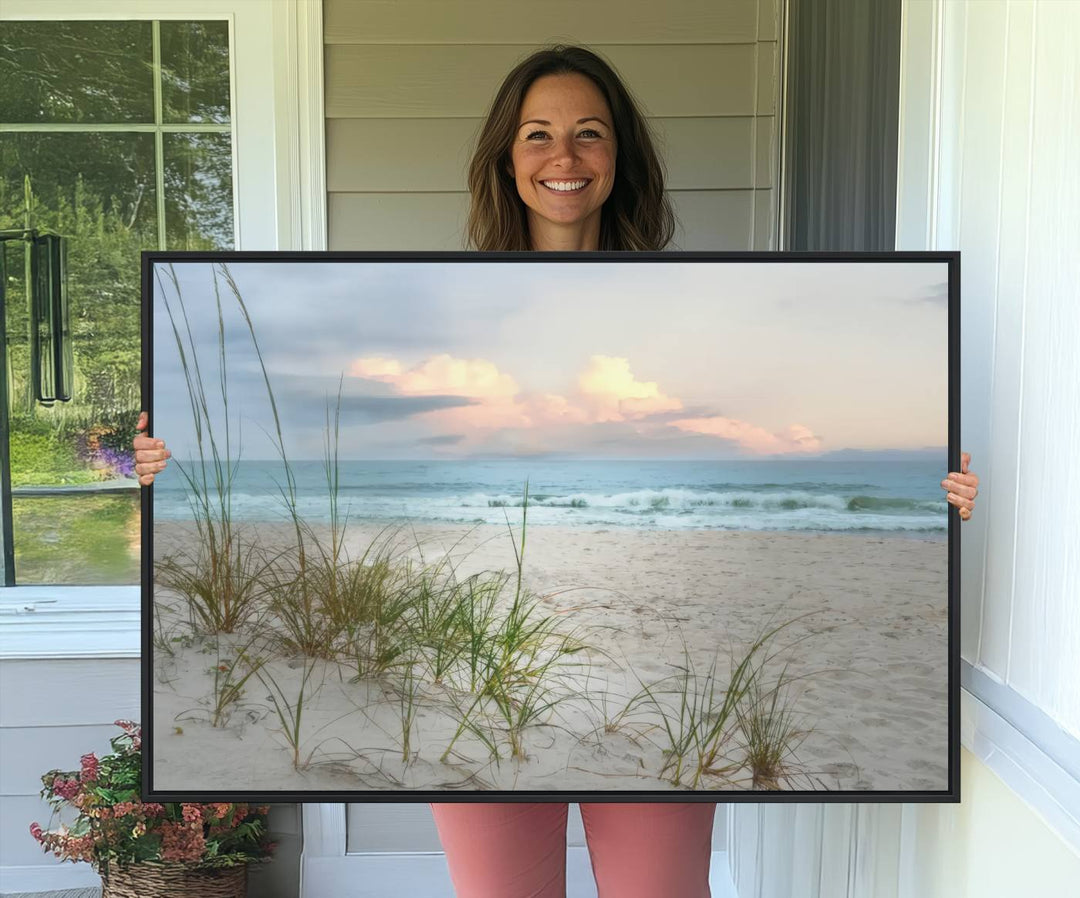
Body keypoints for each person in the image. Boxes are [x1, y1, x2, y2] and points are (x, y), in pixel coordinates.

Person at [133, 45, 979, 898]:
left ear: (620, 158)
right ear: (507, 157)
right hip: (465, 673)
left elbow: (736, 438)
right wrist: (166, 464)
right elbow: (332, 441)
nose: (564, 157)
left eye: (589, 134)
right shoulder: (442, 307)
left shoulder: (690, 307)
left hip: (656, 678)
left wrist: (934, 498)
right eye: (538, 135)